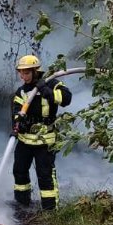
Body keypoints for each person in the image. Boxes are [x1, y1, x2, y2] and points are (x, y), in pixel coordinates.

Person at [12, 54, 72, 211]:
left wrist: (48, 92)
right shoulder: (22, 91)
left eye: (26, 72)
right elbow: (16, 110)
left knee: (45, 176)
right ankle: (21, 205)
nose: (23, 76)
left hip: (45, 141)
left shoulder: (51, 83)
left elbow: (67, 98)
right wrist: (18, 122)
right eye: (21, 72)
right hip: (25, 140)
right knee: (19, 171)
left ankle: (50, 210)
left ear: (35, 71)